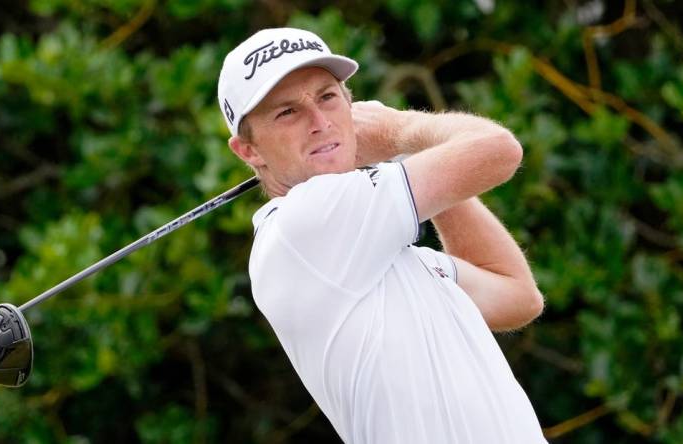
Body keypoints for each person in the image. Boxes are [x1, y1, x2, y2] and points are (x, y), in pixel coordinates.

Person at [217, 27, 547, 443]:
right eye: (287, 112)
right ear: (249, 151)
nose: (320, 123)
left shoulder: (390, 256)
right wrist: (399, 130)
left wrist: (406, 152)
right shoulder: (304, 223)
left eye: (327, 97)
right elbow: (499, 150)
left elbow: (518, 295)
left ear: (350, 106)